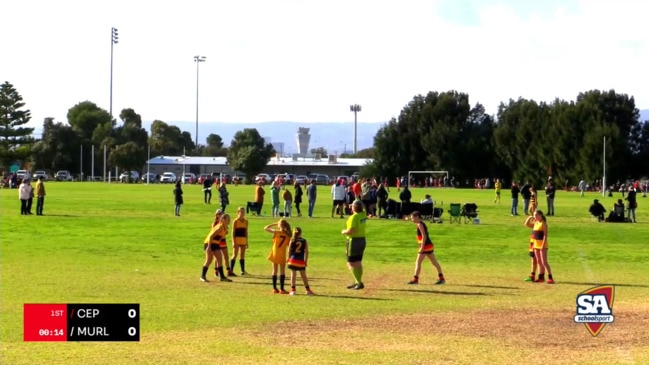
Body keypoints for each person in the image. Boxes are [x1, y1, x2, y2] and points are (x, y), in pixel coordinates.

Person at [407, 211, 445, 285]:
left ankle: (415, 279)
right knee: (434, 262)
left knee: (418, 262)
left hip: (425, 246)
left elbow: (424, 236)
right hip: (429, 246)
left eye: (413, 218)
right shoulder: (421, 223)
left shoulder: (420, 224)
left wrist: (422, 247)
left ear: (417, 217)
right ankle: (441, 278)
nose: (412, 220)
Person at [340, 200, 367, 290]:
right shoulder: (363, 215)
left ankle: (358, 282)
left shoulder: (353, 218)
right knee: (358, 262)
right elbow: (363, 206)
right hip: (362, 240)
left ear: (354, 208)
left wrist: (343, 231)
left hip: (353, 241)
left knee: (350, 262)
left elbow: (352, 231)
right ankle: (357, 281)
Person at [200, 214, 233, 282]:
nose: (229, 220)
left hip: (216, 244)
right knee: (209, 260)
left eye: (229, 219)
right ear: (223, 220)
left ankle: (222, 277)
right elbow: (211, 237)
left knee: (220, 259)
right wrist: (209, 247)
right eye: (228, 219)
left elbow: (219, 238)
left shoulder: (225, 228)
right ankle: (202, 276)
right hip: (209, 243)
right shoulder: (220, 227)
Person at [524, 210, 554, 284]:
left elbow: (545, 235)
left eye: (536, 215)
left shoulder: (543, 223)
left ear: (541, 215)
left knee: (544, 262)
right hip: (535, 245)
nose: (535, 217)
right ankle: (541, 277)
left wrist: (543, 245)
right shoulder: (536, 223)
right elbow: (526, 224)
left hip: (542, 245)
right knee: (539, 262)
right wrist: (529, 217)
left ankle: (550, 277)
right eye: (534, 215)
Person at [265, 219, 292, 293]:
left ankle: (274, 288)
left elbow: (266, 228)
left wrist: (274, 223)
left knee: (274, 270)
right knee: (282, 271)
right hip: (282, 254)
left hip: (274, 253)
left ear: (279, 225)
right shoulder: (287, 235)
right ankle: (282, 289)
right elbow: (289, 246)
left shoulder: (276, 232)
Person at [287, 227, 315, 296]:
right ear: (300, 233)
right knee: (303, 275)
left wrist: (288, 258)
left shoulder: (292, 240)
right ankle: (307, 290)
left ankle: (293, 290)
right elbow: (307, 252)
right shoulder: (304, 241)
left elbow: (289, 251)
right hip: (300, 260)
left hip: (293, 259)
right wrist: (305, 261)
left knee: (293, 274)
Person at [230, 207, 249, 275]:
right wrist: (233, 241)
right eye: (241, 212)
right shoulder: (235, 221)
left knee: (242, 255)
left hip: (243, 239)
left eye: (243, 212)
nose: (242, 214)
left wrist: (247, 241)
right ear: (238, 212)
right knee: (234, 255)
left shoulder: (246, 221)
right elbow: (233, 232)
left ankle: (242, 270)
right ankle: (231, 270)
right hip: (237, 240)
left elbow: (246, 231)